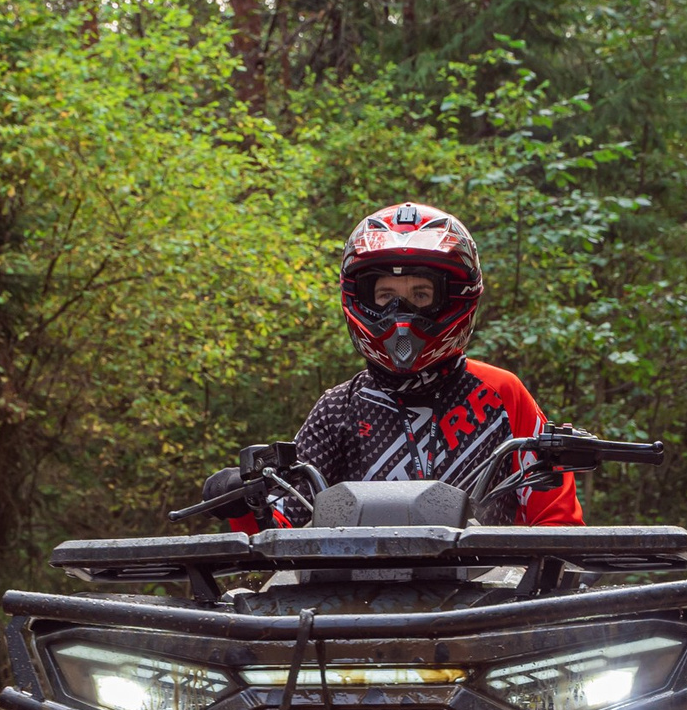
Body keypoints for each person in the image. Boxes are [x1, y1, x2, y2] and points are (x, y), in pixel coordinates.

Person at [224, 202, 582, 530]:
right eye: (386, 297)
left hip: (490, 592)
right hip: (353, 595)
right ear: (362, 300)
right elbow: (279, 527)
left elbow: (556, 521)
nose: (401, 313)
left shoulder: (501, 394)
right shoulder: (338, 409)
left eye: (420, 295)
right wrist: (243, 502)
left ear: (455, 298)